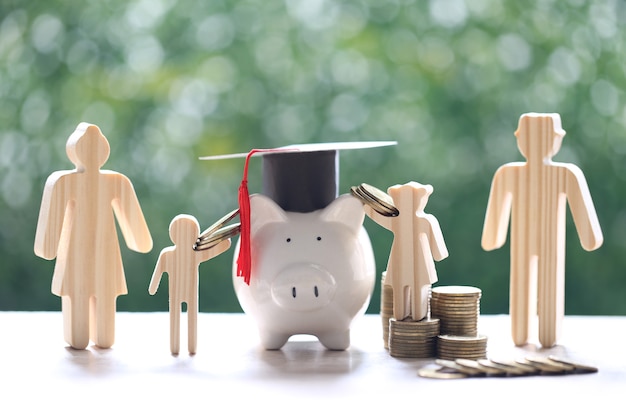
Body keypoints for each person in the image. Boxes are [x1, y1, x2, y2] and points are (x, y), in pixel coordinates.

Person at [481, 113, 603, 347]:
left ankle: (544, 334)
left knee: (547, 284)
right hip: (522, 243)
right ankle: (523, 333)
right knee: (522, 284)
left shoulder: (565, 174)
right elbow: (496, 214)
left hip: (548, 245)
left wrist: (589, 237)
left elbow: (585, 220)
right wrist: (493, 236)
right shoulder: (508, 174)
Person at [34, 123, 152, 349]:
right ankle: (87, 336)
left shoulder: (113, 182)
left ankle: (96, 336)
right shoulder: (67, 182)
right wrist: (139, 241)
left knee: (96, 295)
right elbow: (139, 234)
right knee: (84, 295)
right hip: (83, 254)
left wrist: (48, 249)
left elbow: (137, 228)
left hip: (97, 254)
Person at [149, 214, 231, 355]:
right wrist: (225, 242)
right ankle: (182, 346)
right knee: (181, 316)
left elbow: (212, 251)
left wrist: (153, 287)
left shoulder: (173, 255)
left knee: (184, 317)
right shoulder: (170, 255)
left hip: (186, 294)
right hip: (183, 294)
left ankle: (186, 347)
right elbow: (158, 273)